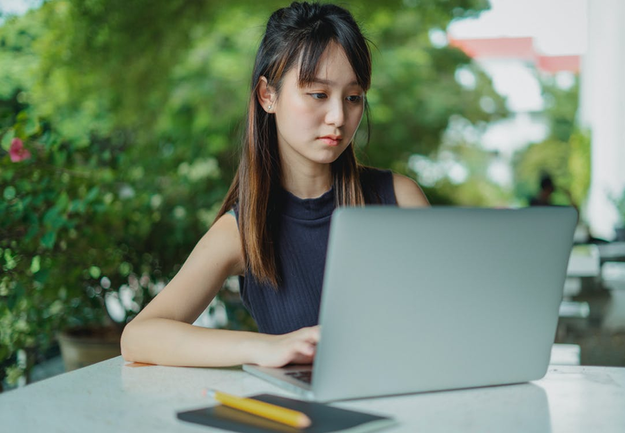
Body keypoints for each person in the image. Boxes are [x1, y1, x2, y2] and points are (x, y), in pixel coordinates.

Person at [120, 1, 429, 369]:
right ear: (268, 95)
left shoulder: (400, 199)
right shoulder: (243, 231)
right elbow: (139, 337)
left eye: (353, 97)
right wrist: (266, 347)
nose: (339, 117)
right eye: (318, 94)